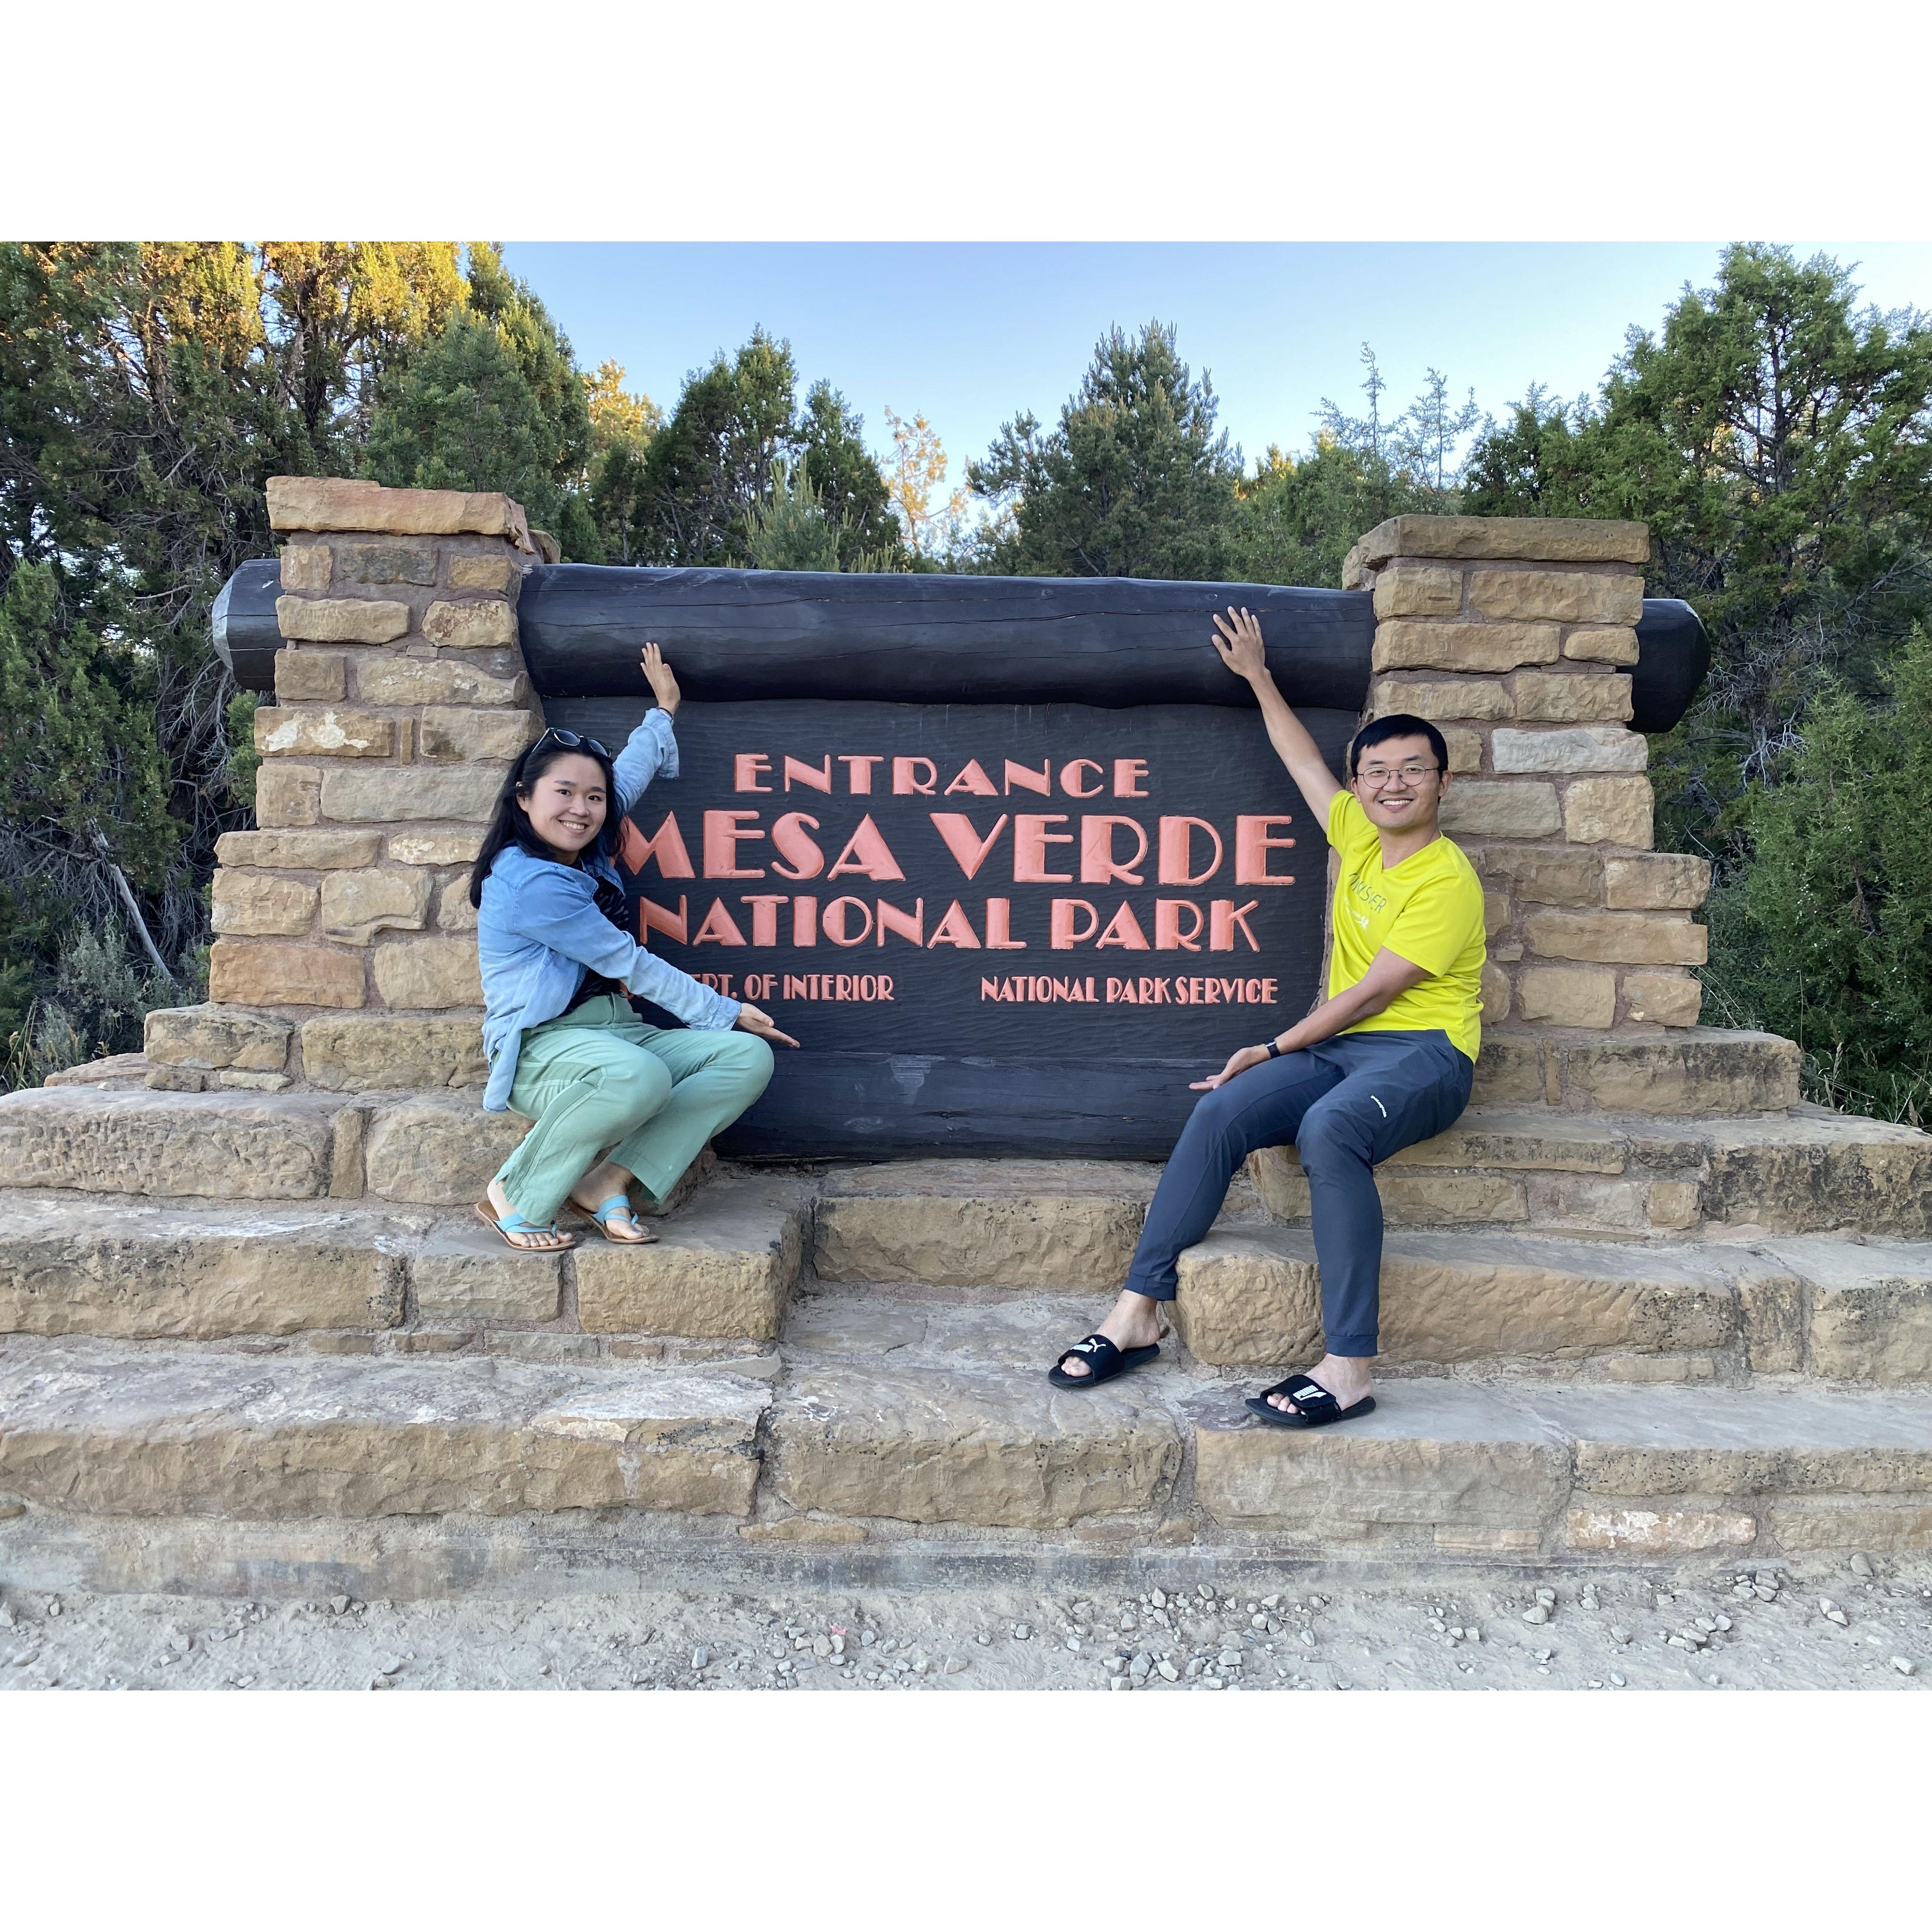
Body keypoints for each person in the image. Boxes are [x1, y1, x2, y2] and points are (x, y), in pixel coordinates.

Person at [1048, 605, 1485, 1426]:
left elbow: (1369, 997)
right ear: (1362, 784)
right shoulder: (1357, 834)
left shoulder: (1445, 880)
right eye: (1377, 771)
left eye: (1412, 770)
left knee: (1328, 1131)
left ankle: (1349, 1365)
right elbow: (1298, 759)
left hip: (1423, 1055)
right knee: (1221, 1109)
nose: (1393, 783)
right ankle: (1137, 1310)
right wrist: (1256, 674)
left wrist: (1273, 1044)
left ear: (1443, 782)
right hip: (1346, 1048)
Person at [471, 643, 798, 1252]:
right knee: (643, 1075)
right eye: (563, 793)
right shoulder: (531, 881)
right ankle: (519, 1192)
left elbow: (630, 774)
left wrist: (664, 711)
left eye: (592, 798)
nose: (582, 809)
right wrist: (726, 1010)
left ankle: (607, 1180)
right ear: (524, 797)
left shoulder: (584, 842)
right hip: (548, 1047)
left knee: (744, 1059)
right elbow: (627, 961)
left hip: (619, 1032)